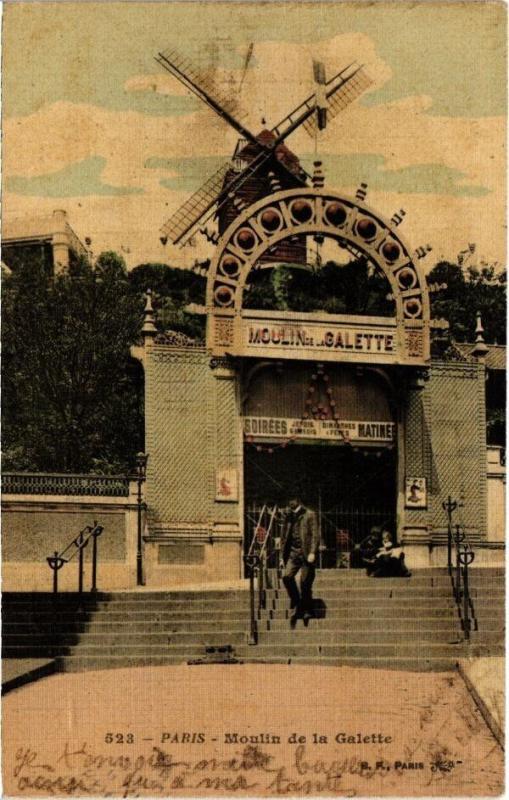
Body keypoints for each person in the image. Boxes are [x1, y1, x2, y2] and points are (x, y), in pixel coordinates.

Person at [280, 496, 320, 627]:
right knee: (286, 577)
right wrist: (282, 556)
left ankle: (307, 609)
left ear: (298, 500)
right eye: (288, 500)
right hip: (293, 553)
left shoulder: (310, 515)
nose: (290, 502)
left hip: (306, 553)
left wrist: (313, 552)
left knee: (305, 582)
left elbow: (315, 535)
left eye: (292, 500)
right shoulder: (288, 516)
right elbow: (284, 536)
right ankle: (296, 601)